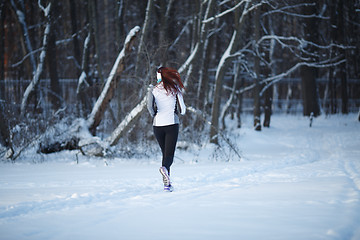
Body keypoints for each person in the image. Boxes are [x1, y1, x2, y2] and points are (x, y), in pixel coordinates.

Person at [147, 67, 186, 192]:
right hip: (172, 124)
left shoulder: (152, 89)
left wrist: (155, 115)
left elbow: (149, 107)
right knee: (169, 155)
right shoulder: (175, 88)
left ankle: (167, 185)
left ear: (159, 76)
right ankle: (164, 170)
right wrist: (177, 112)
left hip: (157, 125)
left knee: (165, 154)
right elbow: (183, 109)